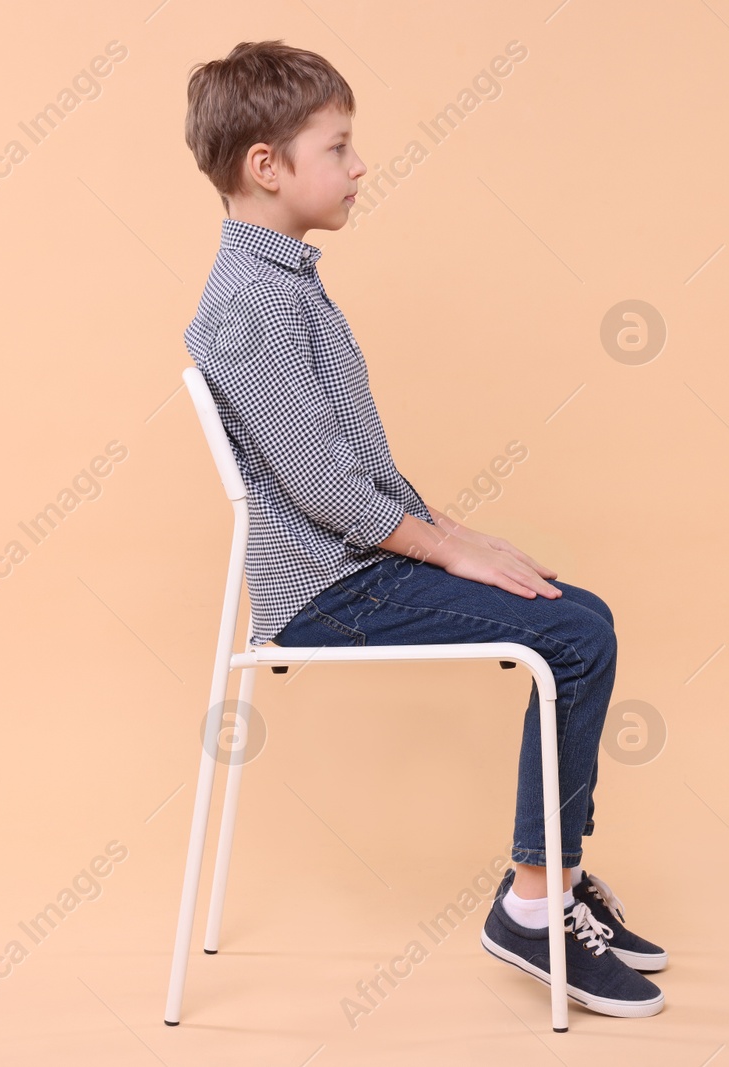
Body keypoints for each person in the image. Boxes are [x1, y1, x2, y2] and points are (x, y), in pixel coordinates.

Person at [181, 40, 665, 1018]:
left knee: (576, 610)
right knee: (572, 632)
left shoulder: (284, 282)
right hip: (326, 587)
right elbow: (320, 486)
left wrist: (462, 532)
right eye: (339, 147)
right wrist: (444, 546)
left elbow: (353, 461)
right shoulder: (245, 306)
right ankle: (533, 904)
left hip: (356, 561)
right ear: (265, 166)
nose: (359, 167)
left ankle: (555, 878)